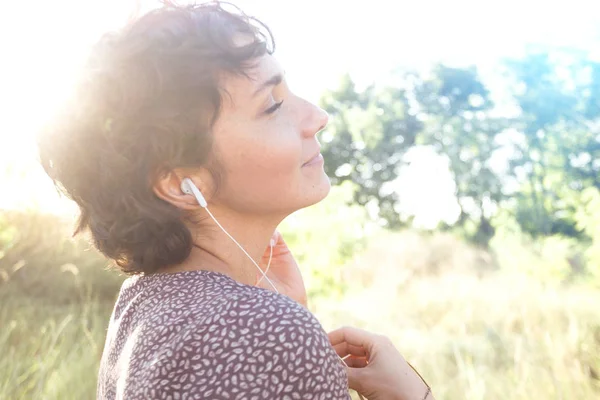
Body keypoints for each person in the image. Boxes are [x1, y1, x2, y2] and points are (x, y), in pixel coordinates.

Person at [38, 1, 435, 399]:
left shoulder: (144, 303)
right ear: (182, 182)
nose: (317, 116)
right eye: (273, 105)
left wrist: (267, 307)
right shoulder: (268, 334)